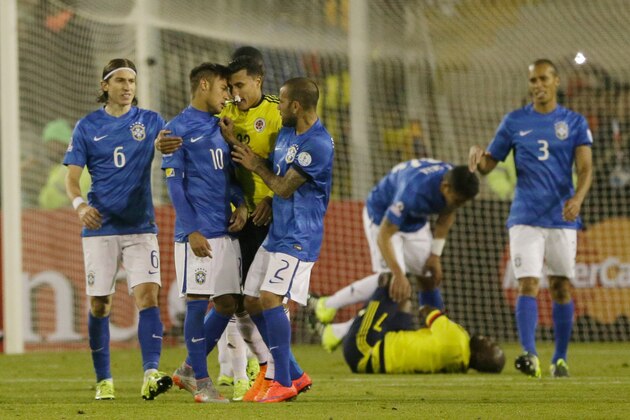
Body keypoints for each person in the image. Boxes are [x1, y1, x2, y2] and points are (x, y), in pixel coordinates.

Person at [468, 58, 593, 378]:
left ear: (556, 82)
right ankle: (530, 355)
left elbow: (585, 168)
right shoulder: (513, 122)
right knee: (527, 284)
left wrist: (578, 198)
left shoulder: (574, 122)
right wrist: (478, 156)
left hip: (561, 217)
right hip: (524, 216)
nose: (537, 85)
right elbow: (488, 166)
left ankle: (560, 359)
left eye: (543, 79)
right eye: (533, 80)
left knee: (561, 286)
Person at [220, 77, 334, 402]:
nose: (278, 107)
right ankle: (290, 372)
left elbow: (285, 185)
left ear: (296, 106)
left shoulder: (319, 143)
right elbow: (278, 174)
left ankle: (281, 380)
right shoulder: (286, 133)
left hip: (300, 235)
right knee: (252, 298)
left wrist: (260, 171)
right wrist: (238, 145)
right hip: (278, 231)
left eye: (282, 102)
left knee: (271, 298)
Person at [63, 58, 172, 400]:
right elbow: (71, 177)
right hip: (101, 227)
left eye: (132, 81)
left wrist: (164, 145)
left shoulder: (151, 121)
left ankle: (151, 373)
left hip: (141, 225)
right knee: (100, 304)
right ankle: (104, 380)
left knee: (148, 296)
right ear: (105, 86)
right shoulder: (87, 126)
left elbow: (169, 141)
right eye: (121, 81)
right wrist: (80, 206)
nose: (128, 87)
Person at [310, 159, 480, 351]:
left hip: (414, 222)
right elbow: (384, 235)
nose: (458, 205)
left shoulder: (454, 179)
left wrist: (435, 255)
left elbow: (448, 213)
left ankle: (433, 333)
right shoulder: (414, 192)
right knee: (392, 285)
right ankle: (333, 318)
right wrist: (399, 274)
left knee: (429, 276)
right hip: (382, 219)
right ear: (445, 186)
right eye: (457, 200)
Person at [162, 62, 248, 403]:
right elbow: (175, 189)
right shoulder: (176, 129)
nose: (227, 95)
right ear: (203, 85)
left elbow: (227, 178)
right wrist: (192, 231)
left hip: (224, 231)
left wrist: (240, 203)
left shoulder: (221, 128)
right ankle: (201, 382)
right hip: (197, 234)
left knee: (228, 303)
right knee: (197, 304)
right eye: (223, 88)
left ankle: (186, 369)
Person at [340, 273, 505, 374]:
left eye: (491, 346)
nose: (488, 339)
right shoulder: (459, 366)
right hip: (384, 354)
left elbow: (426, 311)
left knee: (391, 279)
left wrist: (423, 279)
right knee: (404, 304)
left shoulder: (458, 339)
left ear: (481, 356)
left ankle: (329, 314)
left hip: (364, 351)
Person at [38, 119, 91, 209]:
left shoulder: (82, 165)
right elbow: (44, 202)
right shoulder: (56, 170)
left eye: (52, 143)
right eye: (47, 145)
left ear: (64, 143)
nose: (49, 149)